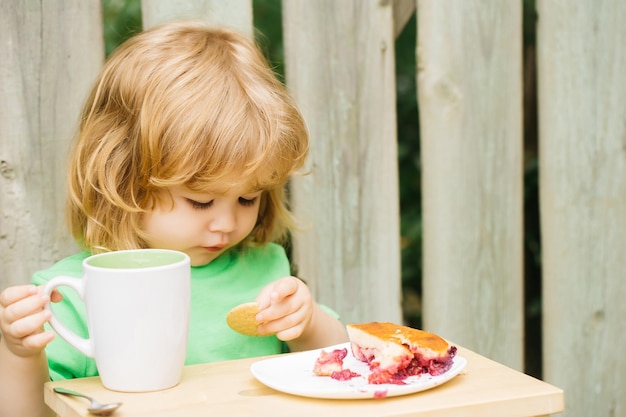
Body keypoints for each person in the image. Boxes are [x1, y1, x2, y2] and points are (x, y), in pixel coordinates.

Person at [0, 21, 348, 417]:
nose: (226, 223)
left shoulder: (265, 270)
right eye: (201, 201)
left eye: (248, 198)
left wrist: (308, 323)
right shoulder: (73, 294)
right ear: (122, 178)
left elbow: (338, 360)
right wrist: (19, 356)